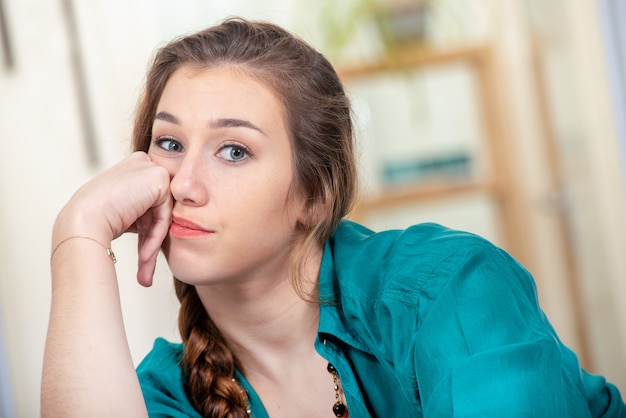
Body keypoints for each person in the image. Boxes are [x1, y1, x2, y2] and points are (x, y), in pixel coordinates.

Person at [41, 17, 625, 418]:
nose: (184, 184)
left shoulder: (447, 288)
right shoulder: (168, 392)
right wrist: (79, 236)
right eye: (168, 144)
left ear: (314, 194)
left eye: (234, 151)